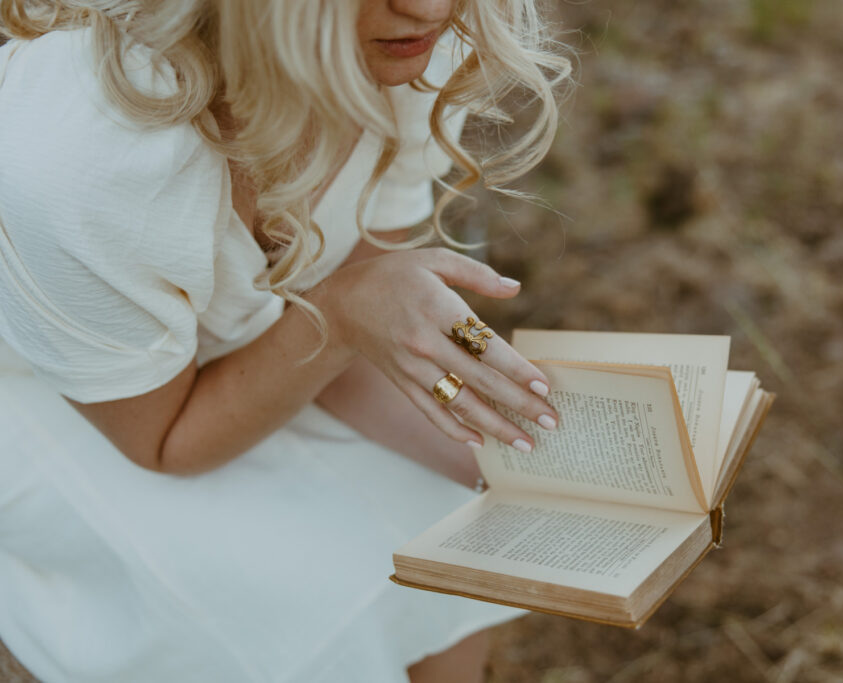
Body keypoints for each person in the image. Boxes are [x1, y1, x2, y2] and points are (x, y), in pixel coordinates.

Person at [0, 0, 570, 681]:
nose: (432, 8)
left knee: (458, 531)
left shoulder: (397, 48)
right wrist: (343, 315)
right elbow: (164, 441)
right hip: (62, 392)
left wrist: (506, 462)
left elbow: (361, 312)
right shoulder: (82, 160)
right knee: (300, 602)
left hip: (252, 354)